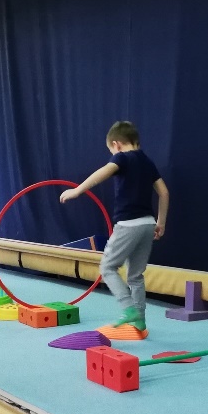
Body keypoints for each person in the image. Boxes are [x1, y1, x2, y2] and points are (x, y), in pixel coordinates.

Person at [59, 121, 170, 332]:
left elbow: (103, 172)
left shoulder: (122, 158)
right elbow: (164, 193)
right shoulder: (147, 162)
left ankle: (128, 309)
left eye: (111, 150)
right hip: (148, 224)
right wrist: (161, 223)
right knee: (135, 275)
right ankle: (140, 320)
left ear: (116, 144)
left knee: (107, 267)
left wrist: (77, 191)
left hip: (128, 224)